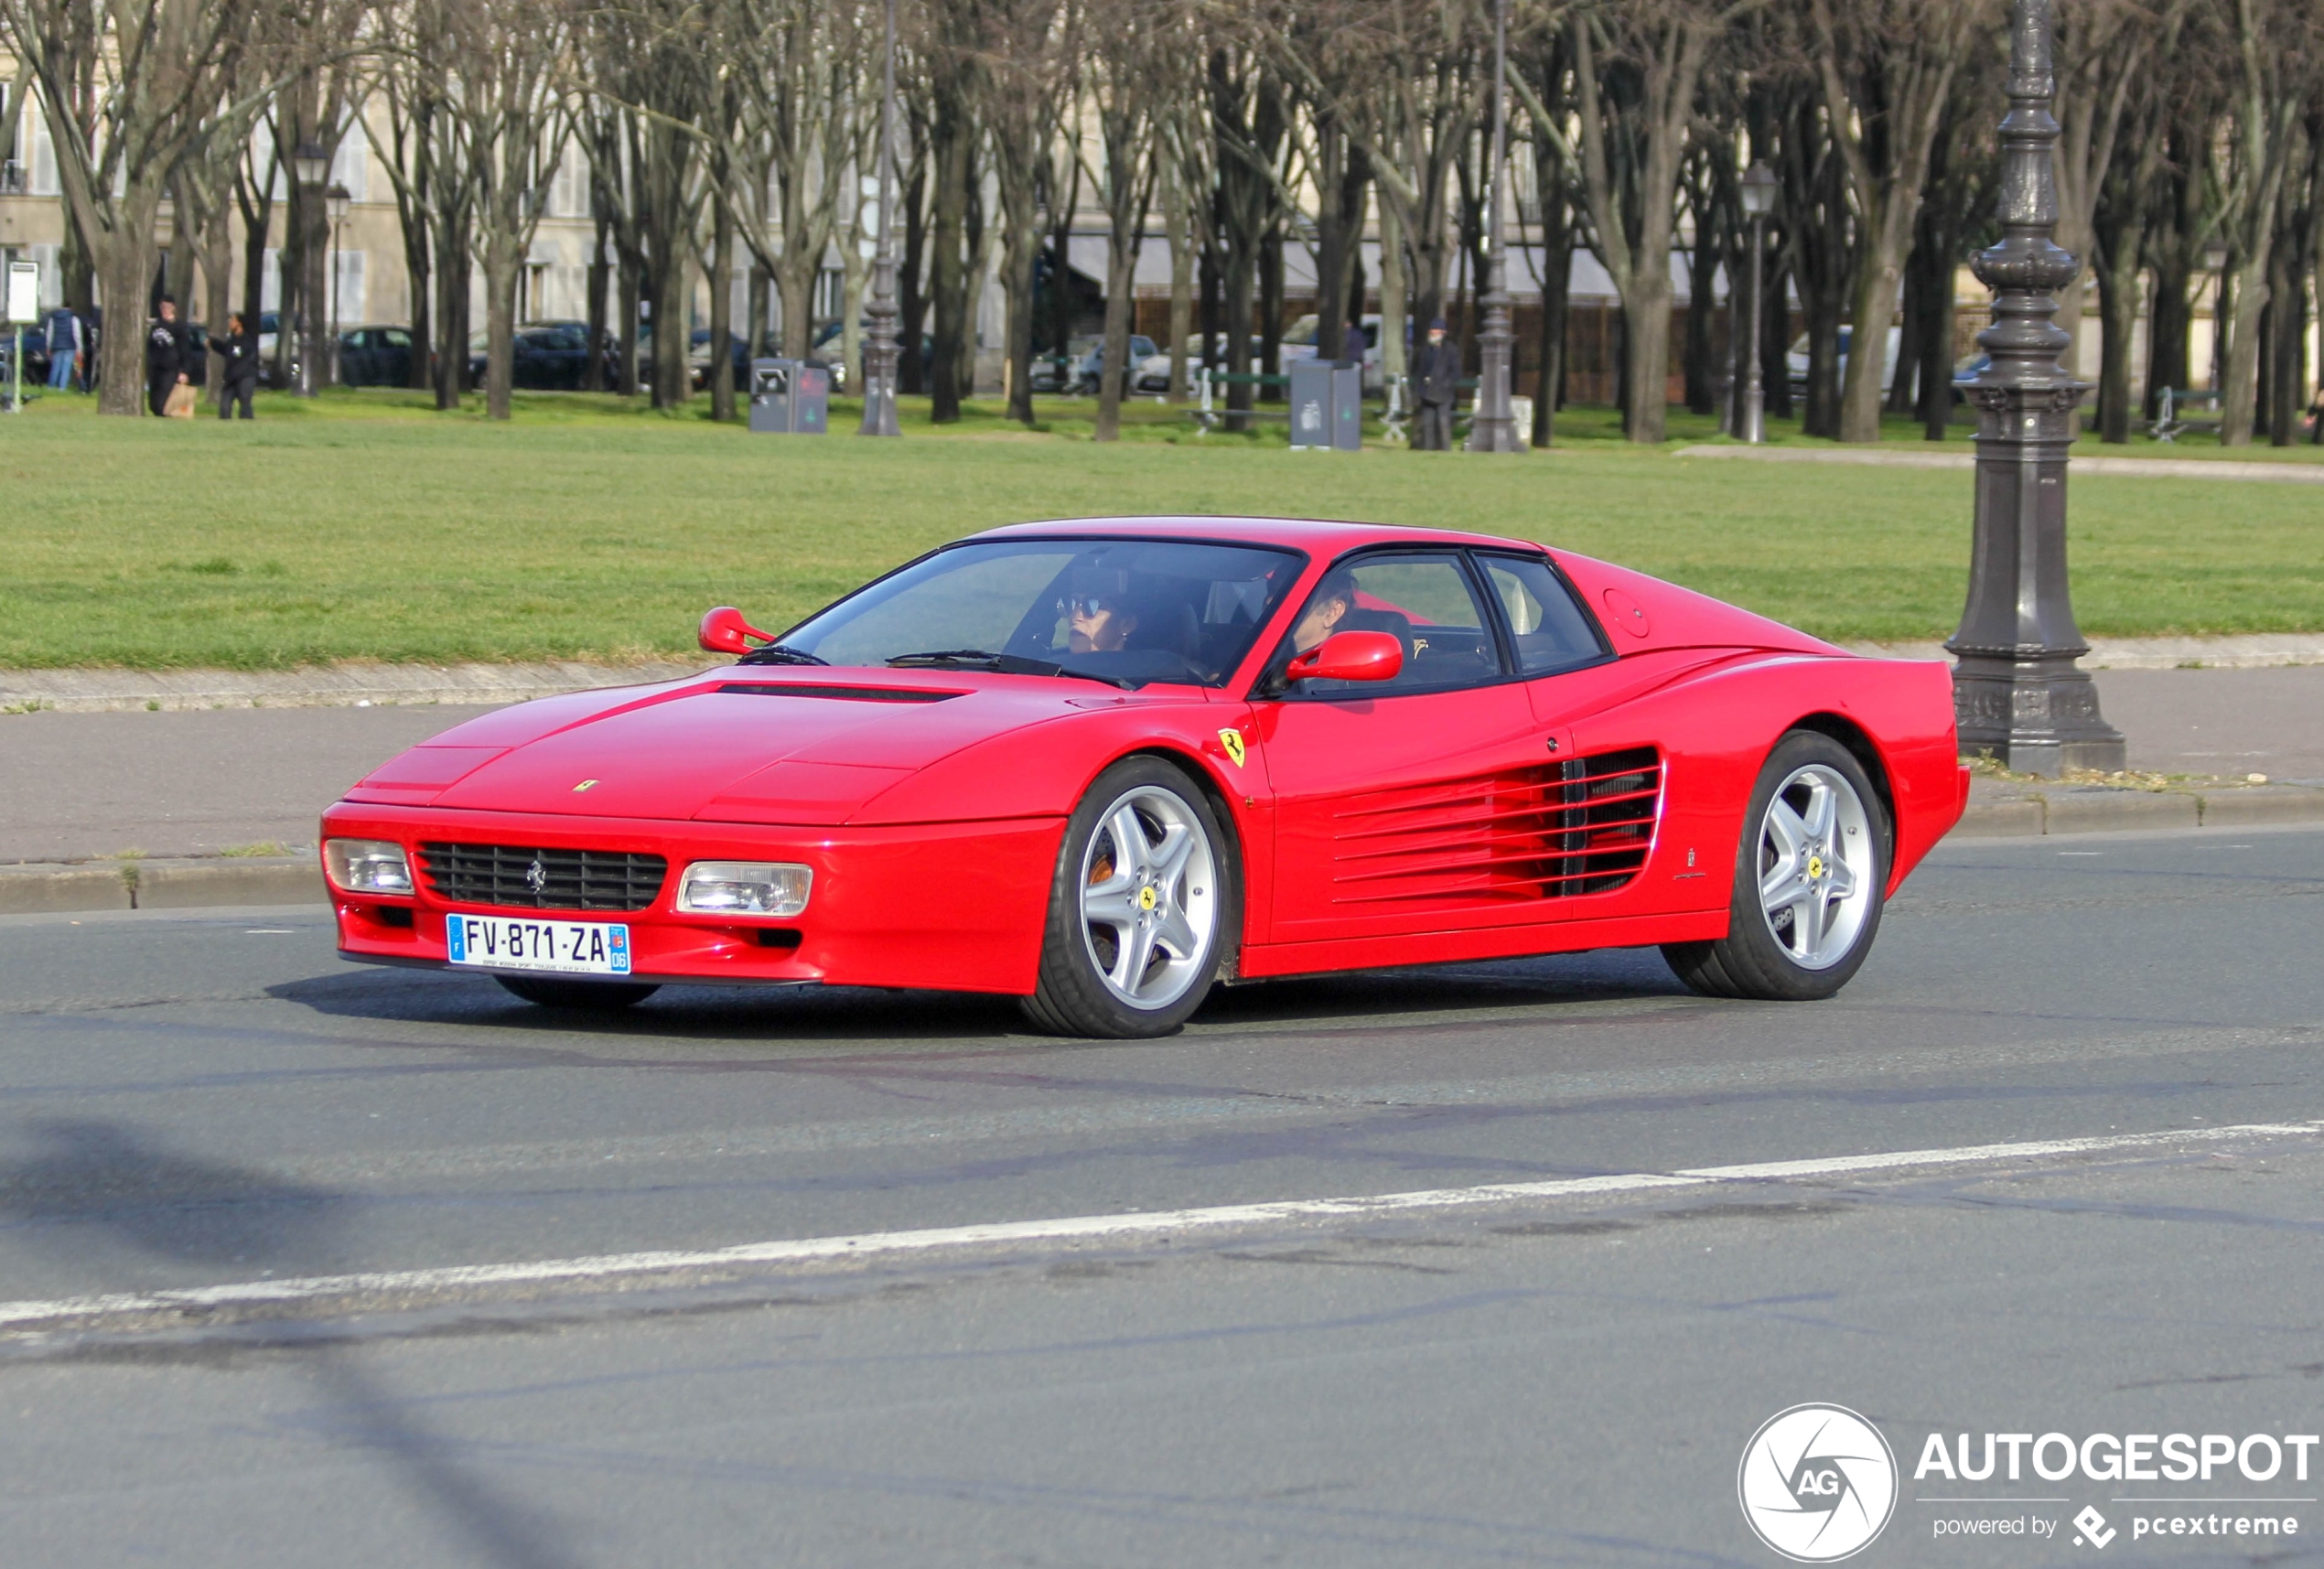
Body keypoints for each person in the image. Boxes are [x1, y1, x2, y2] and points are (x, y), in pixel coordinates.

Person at [1413, 317, 1461, 450]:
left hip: (1444, 394)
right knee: (1427, 425)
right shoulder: (1425, 350)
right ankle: (1428, 450)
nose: (1433, 335)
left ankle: (1446, 450)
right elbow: (1420, 372)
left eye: (1436, 333)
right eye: (1431, 333)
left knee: (1443, 423)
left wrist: (1445, 384)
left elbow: (1456, 372)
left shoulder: (1451, 350)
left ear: (1443, 333)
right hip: (1427, 393)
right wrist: (1419, 391)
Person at [1290, 568, 1356, 654]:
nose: (1270, 601)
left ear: (1333, 611)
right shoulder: (1271, 655)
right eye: (1272, 591)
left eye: (1295, 597)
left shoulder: (1336, 664)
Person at [210, 311, 259, 419]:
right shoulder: (232, 339)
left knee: (245, 402)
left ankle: (247, 426)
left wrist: (234, 375)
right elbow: (227, 351)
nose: (230, 322)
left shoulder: (247, 341)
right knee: (224, 406)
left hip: (245, 376)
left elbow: (244, 360)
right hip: (231, 377)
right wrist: (213, 343)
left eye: (232, 320)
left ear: (239, 324)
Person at [145, 296, 188, 416]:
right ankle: (159, 415)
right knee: (153, 400)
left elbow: (185, 350)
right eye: (163, 307)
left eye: (168, 307)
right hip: (155, 367)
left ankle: (164, 416)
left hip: (170, 368)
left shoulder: (179, 327)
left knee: (163, 398)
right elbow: (150, 346)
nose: (165, 310)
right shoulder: (156, 325)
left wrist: (184, 371)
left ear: (173, 308)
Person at [43, 306, 81, 392]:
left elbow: (50, 333)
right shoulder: (74, 319)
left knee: (55, 367)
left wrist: (48, 346)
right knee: (66, 367)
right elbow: (77, 334)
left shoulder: (53, 318)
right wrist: (79, 348)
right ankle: (62, 387)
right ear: (70, 308)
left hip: (57, 346)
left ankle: (51, 386)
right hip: (70, 345)